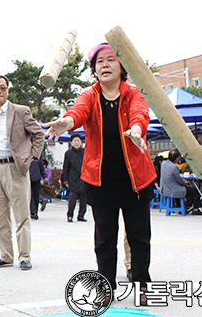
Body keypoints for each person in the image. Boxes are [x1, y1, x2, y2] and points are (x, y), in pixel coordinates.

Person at [44, 43, 156, 302]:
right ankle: (106, 287)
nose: (104, 65)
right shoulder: (90, 95)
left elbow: (141, 114)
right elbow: (78, 113)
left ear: (121, 67)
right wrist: (67, 122)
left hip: (135, 178)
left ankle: (142, 285)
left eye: (110, 60)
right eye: (99, 62)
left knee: (139, 237)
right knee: (104, 240)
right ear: (95, 70)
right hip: (100, 179)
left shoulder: (133, 93)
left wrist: (137, 130)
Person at [0, 74, 45, 271]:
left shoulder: (21, 111)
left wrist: (31, 158)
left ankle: (24, 256)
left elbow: (39, 134)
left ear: (8, 90)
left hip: (16, 168)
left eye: (3, 88)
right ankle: (5, 256)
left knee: (22, 215)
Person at [160, 149, 202, 215]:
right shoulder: (175, 167)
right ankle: (196, 209)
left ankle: (180, 207)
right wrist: (185, 183)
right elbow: (179, 180)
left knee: (181, 189)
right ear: (176, 158)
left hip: (166, 189)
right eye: (179, 157)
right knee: (194, 191)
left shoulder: (163, 164)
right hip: (174, 189)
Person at [62, 133, 86, 222]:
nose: (76, 142)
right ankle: (70, 215)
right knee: (72, 197)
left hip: (84, 177)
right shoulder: (68, 153)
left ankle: (81, 215)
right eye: (75, 141)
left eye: (78, 140)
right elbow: (65, 167)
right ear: (71, 142)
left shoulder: (85, 151)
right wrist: (65, 180)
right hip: (73, 178)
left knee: (84, 198)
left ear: (81, 142)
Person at [29, 155, 46, 220]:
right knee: (30, 195)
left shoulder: (38, 153)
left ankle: (35, 212)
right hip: (26, 178)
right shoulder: (24, 151)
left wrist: (44, 176)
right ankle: (32, 212)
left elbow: (41, 166)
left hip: (36, 177)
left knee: (36, 196)